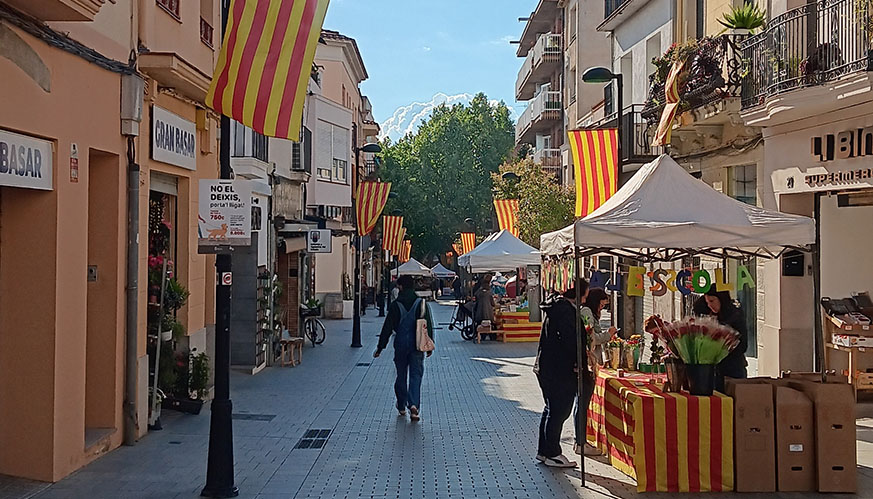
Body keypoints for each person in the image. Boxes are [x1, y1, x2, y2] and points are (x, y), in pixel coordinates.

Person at [534, 279, 590, 468]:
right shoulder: (565, 311)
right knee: (559, 410)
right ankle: (552, 452)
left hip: (548, 367)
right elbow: (571, 341)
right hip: (559, 370)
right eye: (586, 293)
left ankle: (544, 450)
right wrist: (578, 361)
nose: (586, 297)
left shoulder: (557, 307)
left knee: (551, 408)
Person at [375, 275, 435, 421]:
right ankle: (414, 405)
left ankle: (401, 404)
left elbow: (387, 328)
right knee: (416, 375)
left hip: (401, 343)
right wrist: (429, 345)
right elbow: (428, 324)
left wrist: (380, 347)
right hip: (417, 343)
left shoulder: (396, 305)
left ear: (401, 287)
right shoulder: (421, 303)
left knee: (401, 375)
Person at [574, 288, 616, 456]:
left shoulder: (588, 312)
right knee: (582, 403)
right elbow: (592, 339)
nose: (602, 308)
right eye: (601, 304)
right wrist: (609, 334)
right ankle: (580, 442)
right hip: (587, 364)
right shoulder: (586, 312)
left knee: (582, 403)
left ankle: (580, 440)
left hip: (591, 363)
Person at [693, 288, 748, 391]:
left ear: (721, 299)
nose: (710, 305)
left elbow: (743, 345)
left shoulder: (735, 316)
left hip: (733, 369)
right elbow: (697, 307)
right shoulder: (714, 316)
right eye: (707, 302)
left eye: (712, 301)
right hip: (716, 370)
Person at [473, 274, 496, 341]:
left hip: (479, 312)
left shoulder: (478, 292)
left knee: (480, 324)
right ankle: (491, 336)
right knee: (490, 324)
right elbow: (493, 304)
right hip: (488, 313)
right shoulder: (489, 293)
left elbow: (476, 299)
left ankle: (481, 336)